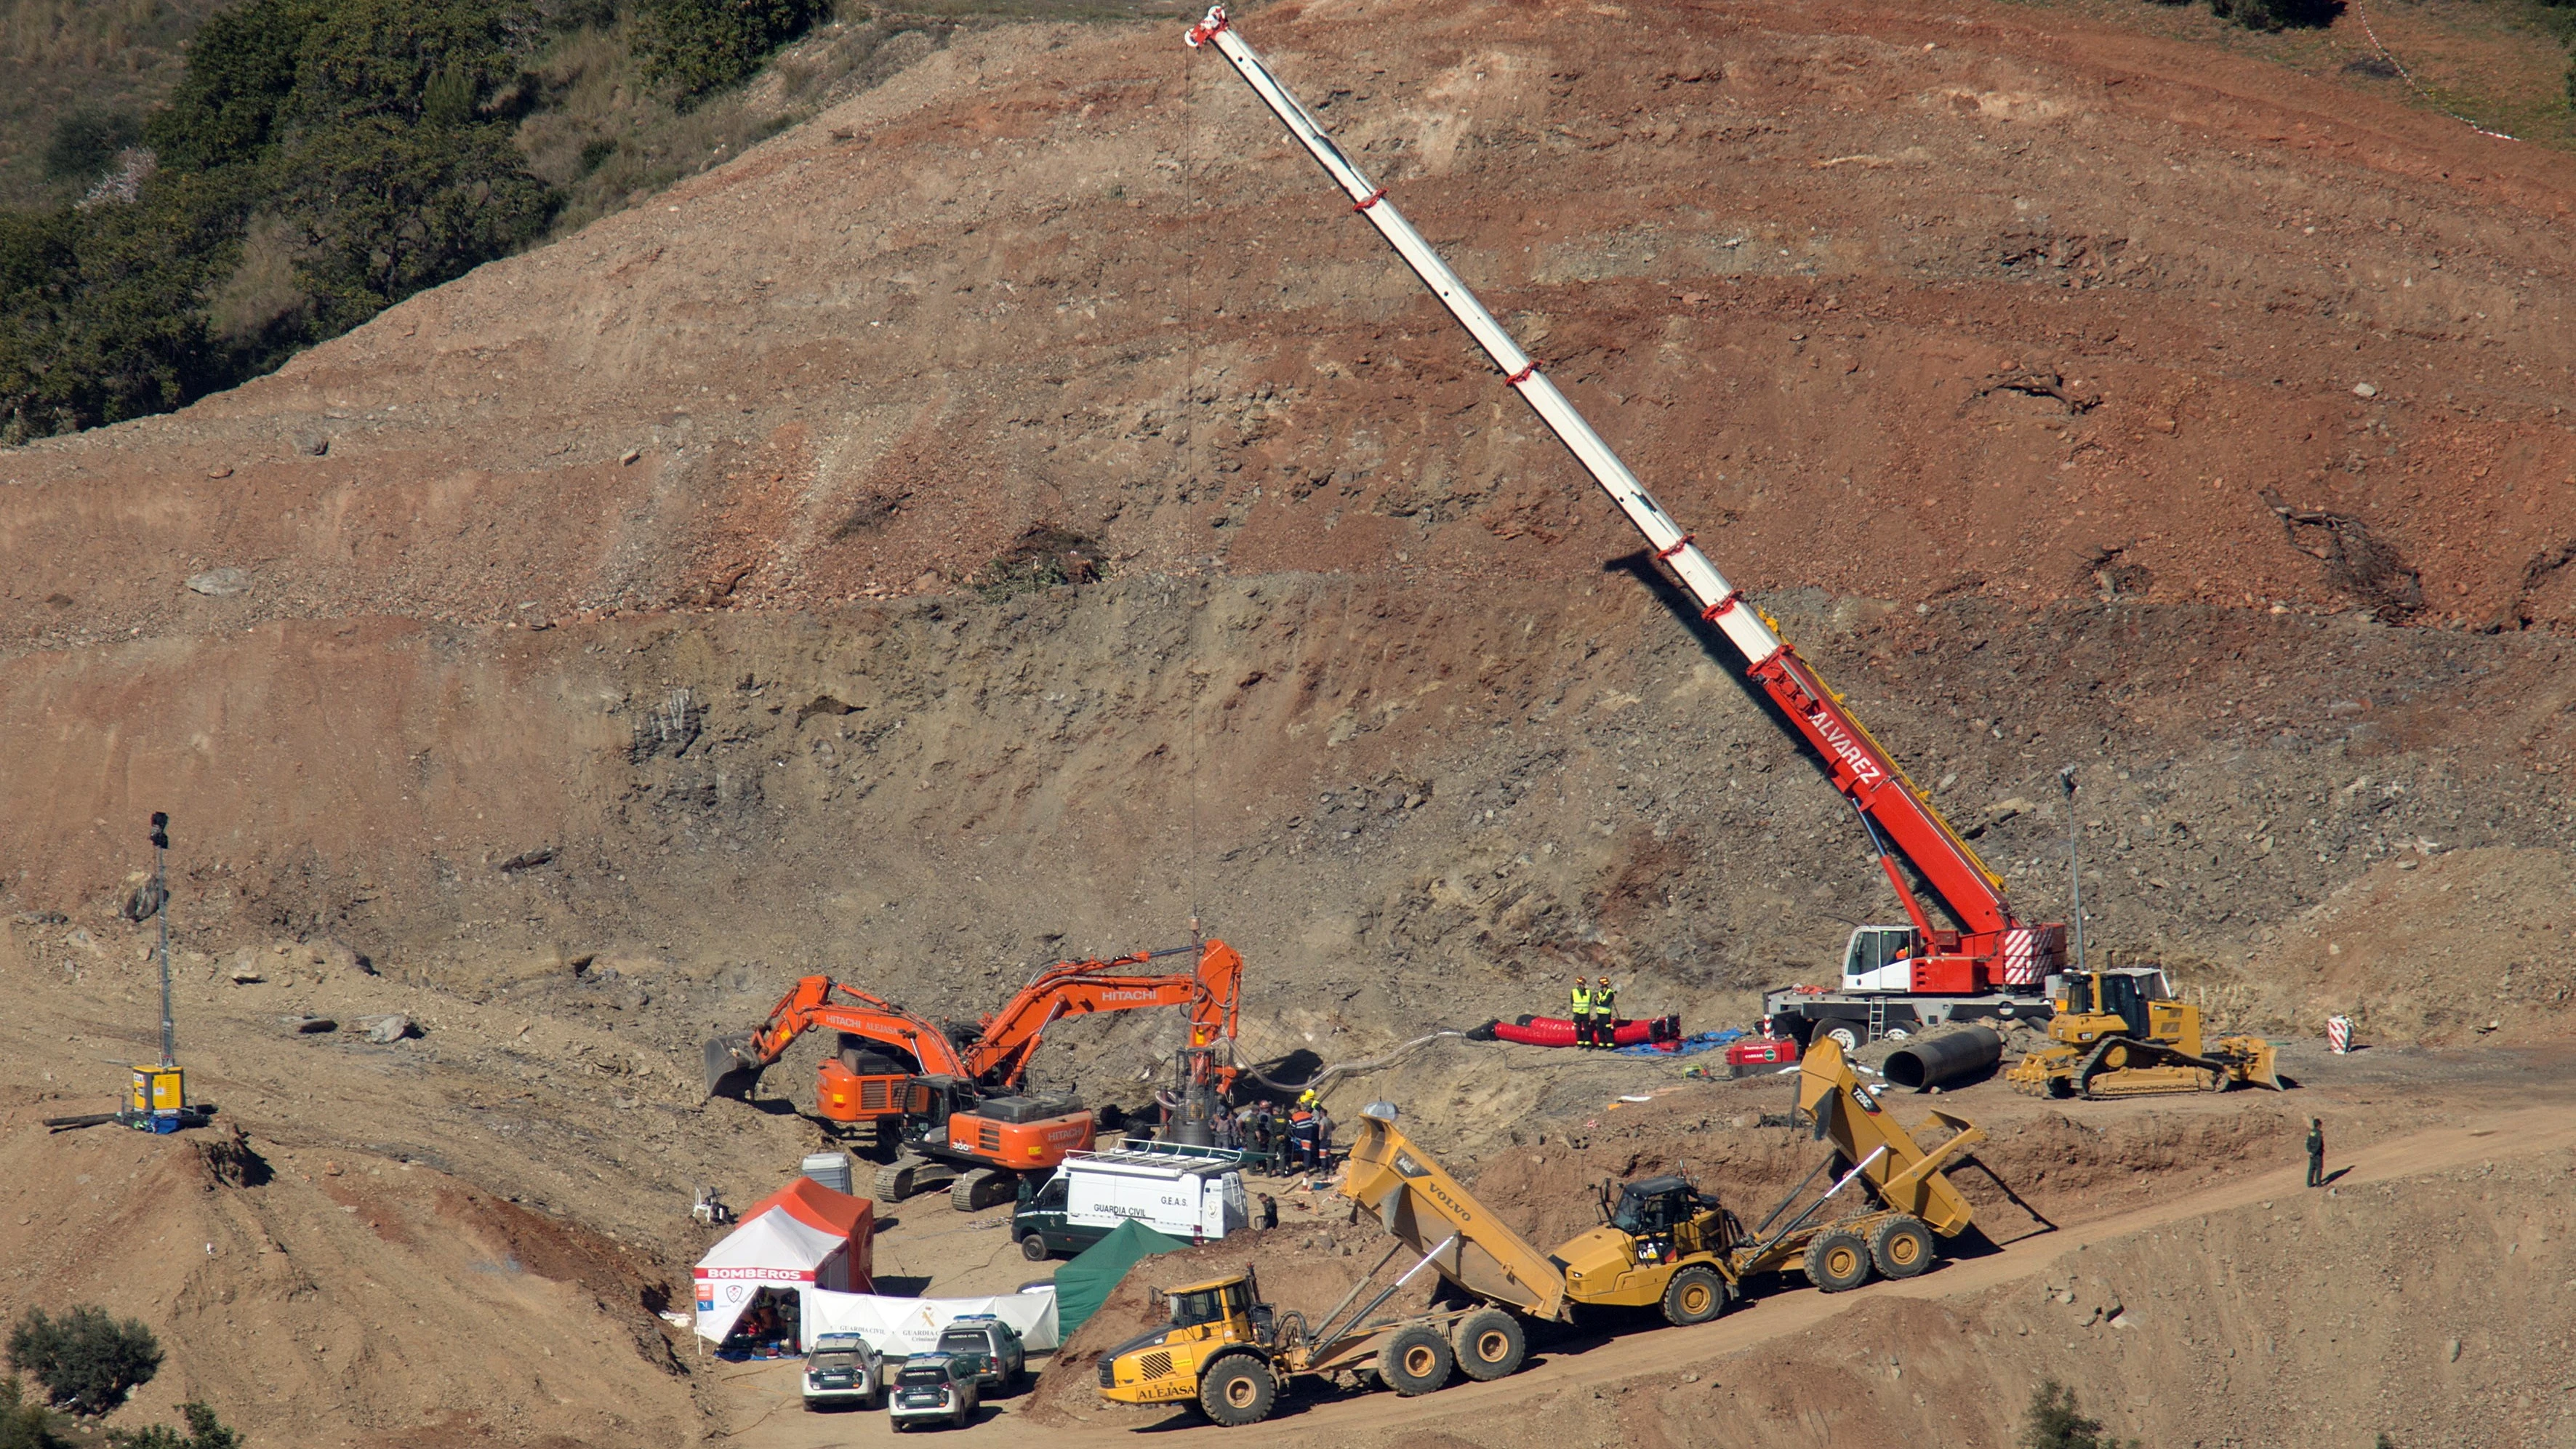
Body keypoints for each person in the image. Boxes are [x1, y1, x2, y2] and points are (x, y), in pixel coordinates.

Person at [1570, 974, 1595, 1048]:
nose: (1582, 986)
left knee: (1586, 1028)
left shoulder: (1588, 992)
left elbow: (1589, 1001)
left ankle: (1588, 1043)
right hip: (1577, 1013)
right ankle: (1580, 1043)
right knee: (1578, 1028)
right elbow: (1572, 1001)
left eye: (1583, 984)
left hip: (1585, 1013)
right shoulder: (1574, 992)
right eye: (1581, 984)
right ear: (1578, 984)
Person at [1594, 975, 1618, 1048]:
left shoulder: (1610, 993)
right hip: (1600, 1014)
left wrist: (1599, 1001)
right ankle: (1602, 1044)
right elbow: (1595, 1002)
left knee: (1607, 1029)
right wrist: (1599, 1001)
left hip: (1606, 1015)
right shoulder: (1600, 993)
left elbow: (1606, 1003)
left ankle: (1610, 1044)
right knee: (1599, 1029)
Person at [2306, 1118, 2326, 1188]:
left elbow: (2308, 1143)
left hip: (2312, 1153)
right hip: (2317, 1154)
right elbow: (2318, 1145)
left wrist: (2310, 1151)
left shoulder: (2311, 1132)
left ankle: (2309, 1183)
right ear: (2319, 1125)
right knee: (2319, 1168)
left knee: (2311, 1168)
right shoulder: (2318, 1133)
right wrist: (2314, 1152)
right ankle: (2318, 1183)